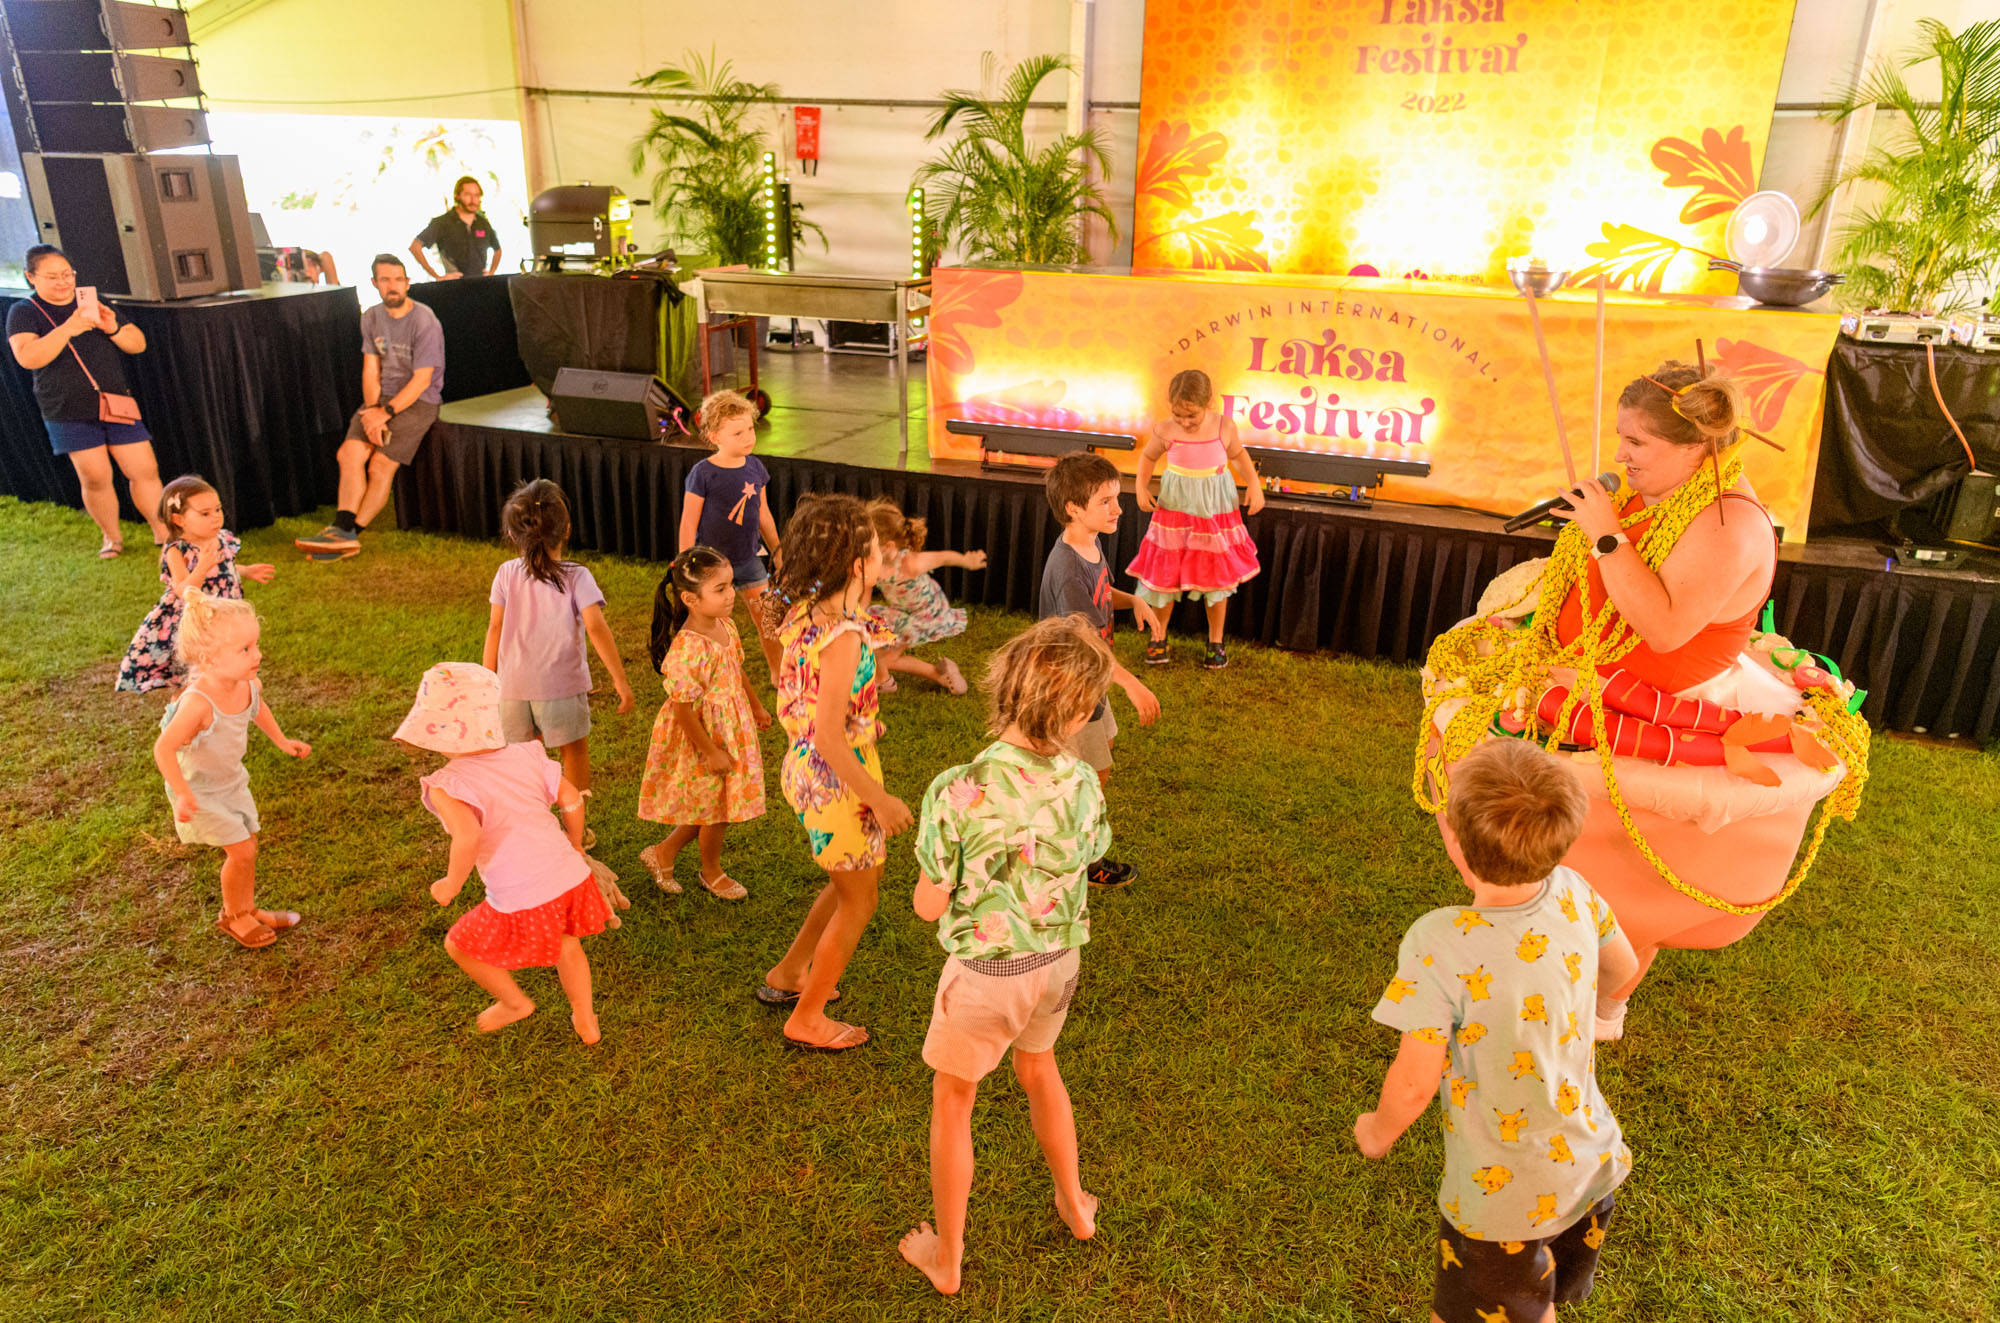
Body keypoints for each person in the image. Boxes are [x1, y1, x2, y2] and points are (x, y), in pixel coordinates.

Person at [1415, 360, 1869, 1040]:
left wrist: (1605, 534)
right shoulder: (1665, 489)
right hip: (1584, 683)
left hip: (1658, 705)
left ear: (1698, 447)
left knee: (1622, 889)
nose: (1622, 456)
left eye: (1638, 443)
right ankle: (1547, 971)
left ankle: (1599, 1008)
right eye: (1622, 438)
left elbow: (1663, 627)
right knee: (1552, 863)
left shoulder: (1729, 523)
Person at [1358, 738, 1638, 1323]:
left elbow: (1413, 1084)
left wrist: (1377, 1133)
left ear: (1457, 842)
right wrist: (1587, 1015)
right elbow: (1623, 967)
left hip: (1504, 1201)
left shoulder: (1439, 942)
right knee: (1535, 1300)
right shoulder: (1576, 892)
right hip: (1591, 1163)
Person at [898, 615, 1114, 1296]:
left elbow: (928, 904)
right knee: (1040, 1068)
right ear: (1077, 712)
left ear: (1005, 686)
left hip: (988, 976)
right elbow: (1092, 852)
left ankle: (948, 1258)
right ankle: (1075, 1204)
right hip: (1058, 964)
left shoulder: (958, 788)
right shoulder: (1084, 781)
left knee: (953, 1101)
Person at [758, 493, 912, 1051]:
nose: (885, 557)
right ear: (857, 564)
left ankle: (790, 972)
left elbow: (820, 709)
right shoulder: (843, 638)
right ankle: (807, 1017)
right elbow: (828, 735)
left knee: (849, 882)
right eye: (876, 549)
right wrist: (880, 798)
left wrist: (862, 722)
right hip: (837, 777)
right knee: (860, 901)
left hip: (811, 769)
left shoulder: (808, 612)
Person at [398, 662, 610, 1044]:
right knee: (568, 946)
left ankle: (514, 1003)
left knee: (459, 946)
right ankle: (585, 1016)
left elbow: (468, 837)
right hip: (570, 878)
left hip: (522, 894)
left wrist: (450, 884)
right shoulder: (528, 755)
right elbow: (571, 798)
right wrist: (576, 842)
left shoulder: (447, 784)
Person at [151, 592, 312, 950]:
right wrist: (183, 794)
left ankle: (248, 908)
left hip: (232, 783)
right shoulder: (197, 704)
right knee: (241, 852)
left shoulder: (248, 685)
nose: (258, 655)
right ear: (209, 659)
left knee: (249, 846)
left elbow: (258, 707)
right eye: (245, 649)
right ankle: (234, 916)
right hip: (200, 792)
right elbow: (163, 748)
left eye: (256, 645)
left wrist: (282, 740)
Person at [1038, 452, 1161, 890]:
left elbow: (1103, 590)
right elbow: (1086, 643)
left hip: (1091, 683)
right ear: (1074, 508)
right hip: (1071, 687)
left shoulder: (1088, 544)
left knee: (1098, 757)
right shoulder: (1068, 570)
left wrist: (1134, 600)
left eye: (1116, 498)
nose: (1118, 510)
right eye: (1106, 501)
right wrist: (1132, 685)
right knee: (1088, 777)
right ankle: (1082, 861)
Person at [479, 480, 634, 815]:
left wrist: (487, 681)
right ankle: (576, 826)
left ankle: (531, 820)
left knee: (522, 758)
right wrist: (620, 681)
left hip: (512, 687)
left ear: (512, 534)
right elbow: (596, 628)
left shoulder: (505, 573)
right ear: (567, 529)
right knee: (573, 753)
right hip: (561, 687)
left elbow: (495, 628)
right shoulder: (577, 576)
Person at [6, 244, 169, 557]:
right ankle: (112, 538)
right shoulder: (24, 312)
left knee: (144, 469)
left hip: (115, 401)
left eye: (67, 274)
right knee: (95, 477)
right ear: (31, 277)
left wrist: (113, 328)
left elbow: (138, 344)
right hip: (67, 408)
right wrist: (68, 328)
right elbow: (27, 357)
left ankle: (163, 533)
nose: (63, 282)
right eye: (52, 277)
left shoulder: (92, 301)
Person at [637, 545, 771, 901]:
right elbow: (682, 710)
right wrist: (710, 751)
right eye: (720, 589)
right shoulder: (689, 647)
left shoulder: (726, 626)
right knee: (716, 809)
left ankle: (664, 852)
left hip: (729, 729)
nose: (731, 595)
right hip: (702, 737)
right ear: (690, 599)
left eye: (731, 585)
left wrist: (756, 707)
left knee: (713, 805)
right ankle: (711, 872)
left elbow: (735, 669)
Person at [294, 255, 445, 558]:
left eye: (399, 279)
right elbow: (371, 369)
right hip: (381, 401)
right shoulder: (371, 317)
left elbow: (422, 380)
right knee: (348, 454)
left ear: (408, 283)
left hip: (418, 402)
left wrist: (385, 415)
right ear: (374, 283)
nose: (393, 286)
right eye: (385, 280)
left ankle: (347, 534)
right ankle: (342, 532)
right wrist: (373, 410)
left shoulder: (425, 320)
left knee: (380, 465)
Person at [1128, 368, 1264, 669]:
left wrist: (1254, 483)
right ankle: (1158, 637)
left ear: (1209, 403)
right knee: (1166, 573)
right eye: (1178, 415)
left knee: (1216, 576)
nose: (1185, 422)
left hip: (1213, 509)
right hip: (1175, 508)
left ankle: (1216, 641)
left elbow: (1239, 455)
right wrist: (1140, 486)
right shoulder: (1165, 430)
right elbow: (1148, 457)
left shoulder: (1224, 427)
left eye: (1192, 415)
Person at [117, 474, 276, 695]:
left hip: (223, 615)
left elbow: (222, 570)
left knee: (223, 664)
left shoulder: (221, 538)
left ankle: (225, 705)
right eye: (205, 513)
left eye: (218, 509)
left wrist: (246, 570)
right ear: (179, 520)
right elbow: (183, 589)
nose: (216, 517)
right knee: (194, 677)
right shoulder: (177, 550)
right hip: (197, 619)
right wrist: (202, 567)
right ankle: (183, 710)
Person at [679, 390, 783, 677]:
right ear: (715, 437)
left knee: (767, 618)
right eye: (738, 433)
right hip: (711, 565)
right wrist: (685, 563)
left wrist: (777, 549)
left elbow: (763, 513)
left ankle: (778, 672)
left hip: (748, 560)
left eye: (750, 429)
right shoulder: (702, 473)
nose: (748, 437)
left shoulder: (756, 467)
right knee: (707, 623)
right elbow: (688, 522)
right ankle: (705, 672)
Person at [863, 497, 984, 695]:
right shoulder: (873, 563)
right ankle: (891, 679)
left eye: (869, 543)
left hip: (925, 614)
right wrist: (857, 614)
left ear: (889, 546)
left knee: (886, 654)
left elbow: (944, 557)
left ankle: (932, 676)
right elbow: (865, 592)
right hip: (901, 611)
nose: (864, 547)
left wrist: (966, 561)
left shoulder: (910, 563)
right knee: (872, 633)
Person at [409, 175, 501, 281]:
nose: (473, 200)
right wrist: (437, 276)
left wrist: (491, 272)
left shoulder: (483, 223)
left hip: (482, 283)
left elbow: (498, 250)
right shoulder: (442, 222)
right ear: (457, 196)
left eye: (477, 195)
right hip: (454, 285)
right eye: (467, 194)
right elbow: (415, 247)